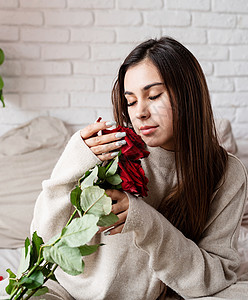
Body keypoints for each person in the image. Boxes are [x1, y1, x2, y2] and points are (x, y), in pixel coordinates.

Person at [31, 37, 248, 300]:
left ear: (188, 93)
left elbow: (215, 276)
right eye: (131, 101)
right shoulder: (109, 148)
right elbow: (43, 240)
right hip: (65, 291)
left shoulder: (226, 173)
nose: (140, 113)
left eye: (154, 96)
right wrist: (71, 162)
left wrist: (145, 221)